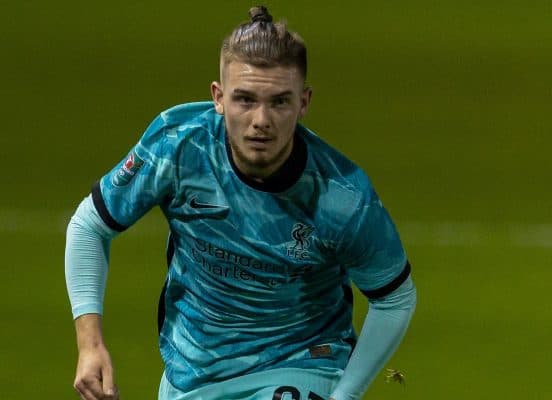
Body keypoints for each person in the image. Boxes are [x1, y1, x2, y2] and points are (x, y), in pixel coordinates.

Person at [65, 6, 417, 400]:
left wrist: (345, 394)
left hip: (301, 364)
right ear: (218, 97)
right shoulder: (179, 146)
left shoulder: (341, 196)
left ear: (304, 102)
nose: (261, 120)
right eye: (245, 99)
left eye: (280, 102)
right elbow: (89, 225)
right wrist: (90, 345)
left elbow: (395, 298)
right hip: (192, 375)